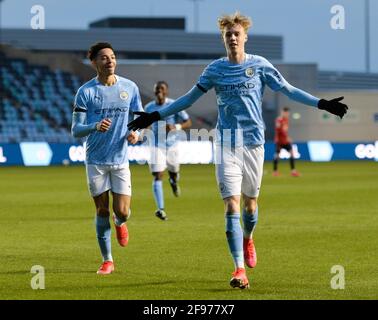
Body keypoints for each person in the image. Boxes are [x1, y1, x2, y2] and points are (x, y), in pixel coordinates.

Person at [128, 12, 348, 289]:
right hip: (226, 142)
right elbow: (188, 99)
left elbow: (289, 90)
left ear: (245, 37)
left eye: (236, 34)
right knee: (231, 204)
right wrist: (154, 116)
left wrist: (322, 104)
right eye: (227, 35)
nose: (232, 38)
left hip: (254, 143)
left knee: (250, 205)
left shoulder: (260, 65)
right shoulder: (214, 70)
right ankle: (238, 269)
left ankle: (249, 237)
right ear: (223, 39)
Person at [71, 42, 142, 275]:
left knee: (122, 211)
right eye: (104, 58)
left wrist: (136, 134)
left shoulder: (130, 87)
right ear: (94, 63)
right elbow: (76, 130)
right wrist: (94, 126)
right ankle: (107, 260)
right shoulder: (86, 92)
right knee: (101, 211)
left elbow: (140, 119)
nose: (110, 61)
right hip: (96, 161)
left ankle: (120, 222)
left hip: (120, 160)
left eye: (112, 57)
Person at [144, 81, 192, 221]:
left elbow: (188, 122)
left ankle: (174, 181)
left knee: (174, 172)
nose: (159, 90)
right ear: (154, 92)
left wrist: (176, 127)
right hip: (156, 145)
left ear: (166, 91)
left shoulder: (174, 104)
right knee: (157, 175)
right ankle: (161, 209)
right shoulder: (149, 107)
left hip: (172, 145)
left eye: (162, 88)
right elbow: (145, 123)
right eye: (157, 88)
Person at [273, 107, 300, 177]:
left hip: (285, 141)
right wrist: (287, 137)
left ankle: (293, 171)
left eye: (288, 113)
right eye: (286, 112)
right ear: (283, 112)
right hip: (279, 140)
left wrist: (286, 137)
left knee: (292, 153)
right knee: (277, 155)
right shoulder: (279, 120)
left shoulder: (286, 120)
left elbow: (284, 130)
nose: (287, 114)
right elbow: (279, 130)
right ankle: (275, 171)